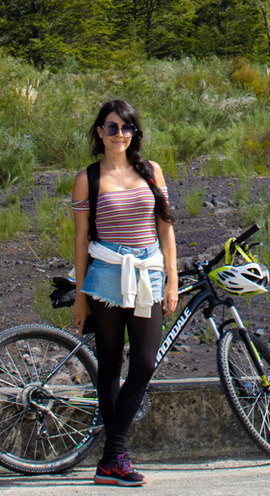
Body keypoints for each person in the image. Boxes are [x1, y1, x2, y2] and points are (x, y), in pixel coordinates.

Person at [72, 99, 178, 486]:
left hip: (148, 272)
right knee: (111, 366)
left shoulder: (151, 171)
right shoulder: (88, 178)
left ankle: (112, 450)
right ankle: (114, 459)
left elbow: (165, 227)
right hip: (105, 276)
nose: (121, 135)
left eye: (128, 127)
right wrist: (81, 295)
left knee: (146, 362)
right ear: (99, 132)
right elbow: (82, 238)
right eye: (113, 127)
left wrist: (172, 278)